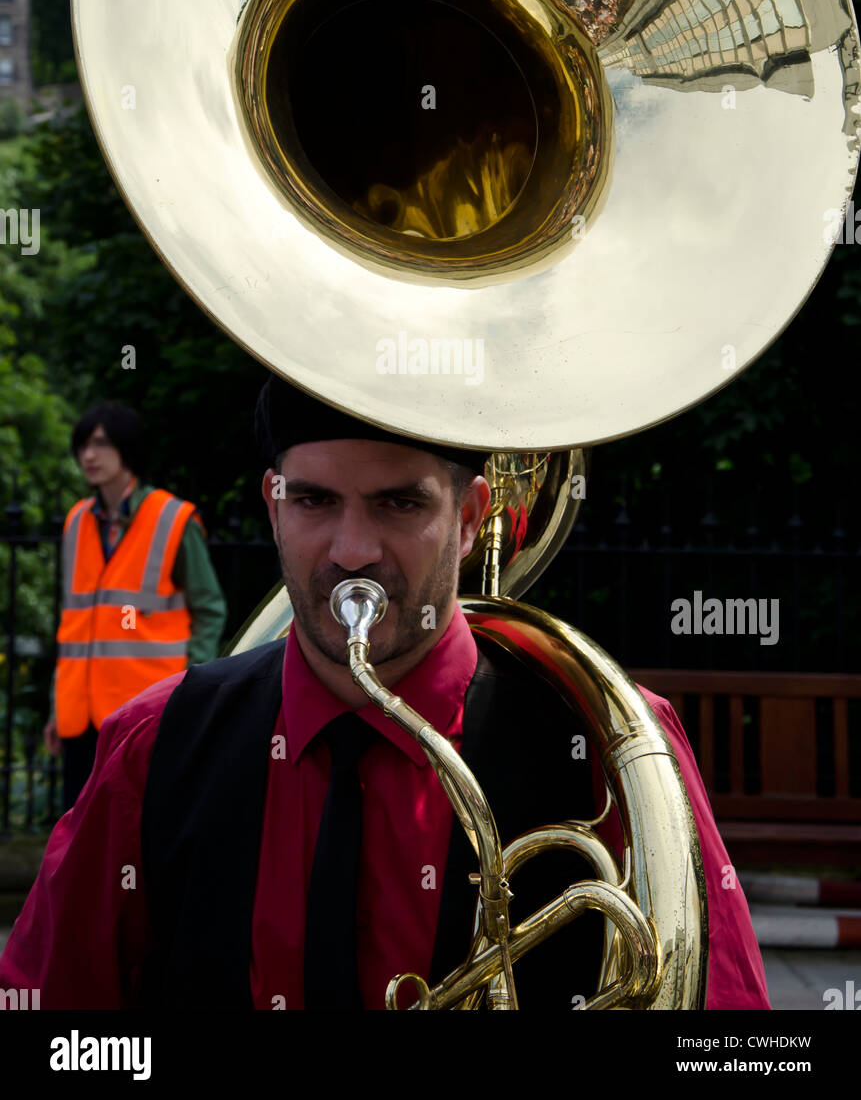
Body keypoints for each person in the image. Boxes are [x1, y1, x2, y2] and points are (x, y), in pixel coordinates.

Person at [1, 379, 770, 1010]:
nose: (352, 552)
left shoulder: (612, 743)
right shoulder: (154, 742)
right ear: (273, 506)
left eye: (400, 504)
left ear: (468, 518)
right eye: (314, 502)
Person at [42, 400, 227, 812]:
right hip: (80, 714)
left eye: (101, 444)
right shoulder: (76, 521)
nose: (88, 455)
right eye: (83, 446)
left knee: (141, 827)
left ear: (128, 448)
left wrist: (190, 691)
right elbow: (73, 623)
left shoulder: (173, 518)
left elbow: (209, 608)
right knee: (81, 832)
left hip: (147, 712)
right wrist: (58, 706)